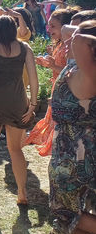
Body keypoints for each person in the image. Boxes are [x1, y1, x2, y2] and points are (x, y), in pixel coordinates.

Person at [48, 20, 96, 234]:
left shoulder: (90, 71)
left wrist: (80, 33)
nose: (67, 41)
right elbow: (71, 35)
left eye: (75, 38)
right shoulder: (76, 65)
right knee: (72, 210)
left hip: (79, 154)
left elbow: (76, 37)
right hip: (67, 148)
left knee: (66, 211)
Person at [0, 15, 39, 207]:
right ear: (14, 29)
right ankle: (22, 192)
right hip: (18, 102)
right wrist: (33, 105)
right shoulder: (25, 47)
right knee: (15, 149)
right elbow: (34, 78)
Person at [25, 8, 76, 156]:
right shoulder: (61, 44)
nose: (49, 29)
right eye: (48, 25)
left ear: (65, 27)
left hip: (67, 89)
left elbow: (72, 71)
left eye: (53, 26)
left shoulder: (71, 45)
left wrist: (53, 66)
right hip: (57, 86)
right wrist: (48, 62)